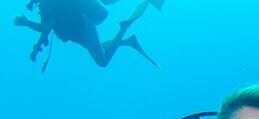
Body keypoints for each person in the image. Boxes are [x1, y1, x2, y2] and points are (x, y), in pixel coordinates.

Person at [13, 0, 161, 69]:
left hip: (82, 28)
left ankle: (123, 28)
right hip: (79, 31)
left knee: (102, 61)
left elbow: (46, 28)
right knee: (101, 47)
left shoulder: (48, 4)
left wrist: (27, 23)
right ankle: (127, 41)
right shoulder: (46, 5)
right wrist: (36, 48)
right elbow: (46, 29)